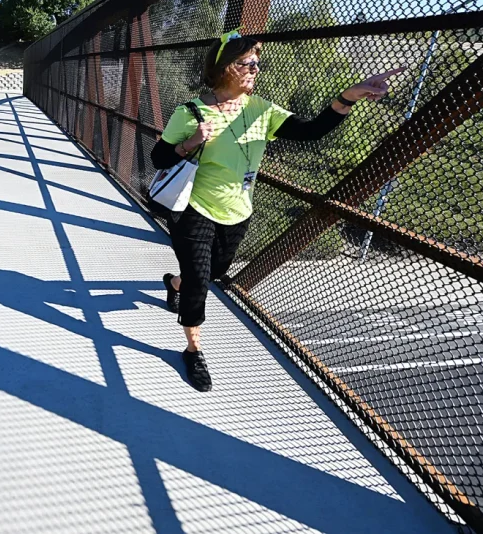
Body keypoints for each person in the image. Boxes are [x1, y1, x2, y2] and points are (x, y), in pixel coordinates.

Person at [150, 29, 403, 392]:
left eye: (257, 62)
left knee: (211, 273)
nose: (255, 67)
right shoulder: (191, 111)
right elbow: (158, 157)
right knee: (200, 286)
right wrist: (191, 142)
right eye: (246, 62)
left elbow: (311, 131)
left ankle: (173, 283)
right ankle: (193, 350)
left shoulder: (261, 110)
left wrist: (348, 97)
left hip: (238, 211)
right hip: (194, 209)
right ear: (223, 67)